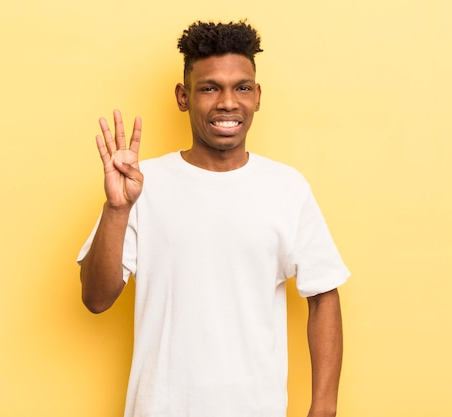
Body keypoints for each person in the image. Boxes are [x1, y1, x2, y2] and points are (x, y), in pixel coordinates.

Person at [77, 20, 349, 417]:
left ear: (257, 96)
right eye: (209, 88)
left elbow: (324, 295)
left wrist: (323, 407)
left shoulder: (286, 187)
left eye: (241, 87)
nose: (227, 102)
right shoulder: (143, 185)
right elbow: (96, 299)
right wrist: (117, 210)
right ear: (183, 96)